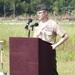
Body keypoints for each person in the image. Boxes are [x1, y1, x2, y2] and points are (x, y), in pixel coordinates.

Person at [33, 4, 69, 75]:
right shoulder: (37, 25)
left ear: (46, 13)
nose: (38, 15)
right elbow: (34, 38)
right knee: (40, 70)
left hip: (48, 50)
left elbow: (65, 36)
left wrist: (55, 45)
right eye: (37, 13)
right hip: (38, 51)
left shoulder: (53, 24)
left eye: (40, 13)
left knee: (51, 71)